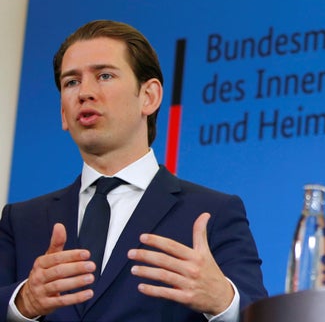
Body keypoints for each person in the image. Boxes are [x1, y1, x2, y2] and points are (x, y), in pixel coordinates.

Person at [0, 20, 268, 321]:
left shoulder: (212, 213)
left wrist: (223, 301)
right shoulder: (20, 221)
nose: (84, 92)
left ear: (149, 97)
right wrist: (22, 304)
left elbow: (256, 313)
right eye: (71, 82)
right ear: (64, 113)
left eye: (104, 75)